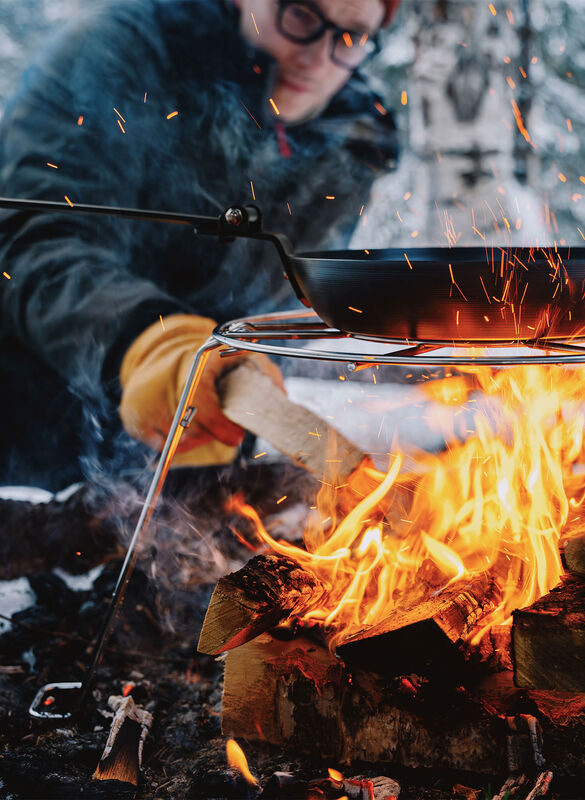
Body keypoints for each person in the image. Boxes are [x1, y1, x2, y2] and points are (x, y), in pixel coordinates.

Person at [0, 0, 400, 491]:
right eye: (300, 14)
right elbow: (36, 239)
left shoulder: (354, 144)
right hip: (31, 450)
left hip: (199, 469)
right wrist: (152, 344)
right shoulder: (121, 52)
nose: (317, 58)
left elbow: (279, 320)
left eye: (352, 36)